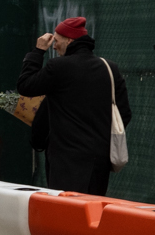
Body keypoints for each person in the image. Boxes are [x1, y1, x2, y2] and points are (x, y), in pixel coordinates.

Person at [17, 15, 130, 195]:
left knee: (66, 212)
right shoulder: (109, 68)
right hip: (99, 160)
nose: (54, 45)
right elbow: (124, 112)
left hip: (66, 159)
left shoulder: (59, 67)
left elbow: (26, 85)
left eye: (57, 40)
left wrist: (38, 51)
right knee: (92, 212)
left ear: (70, 40)